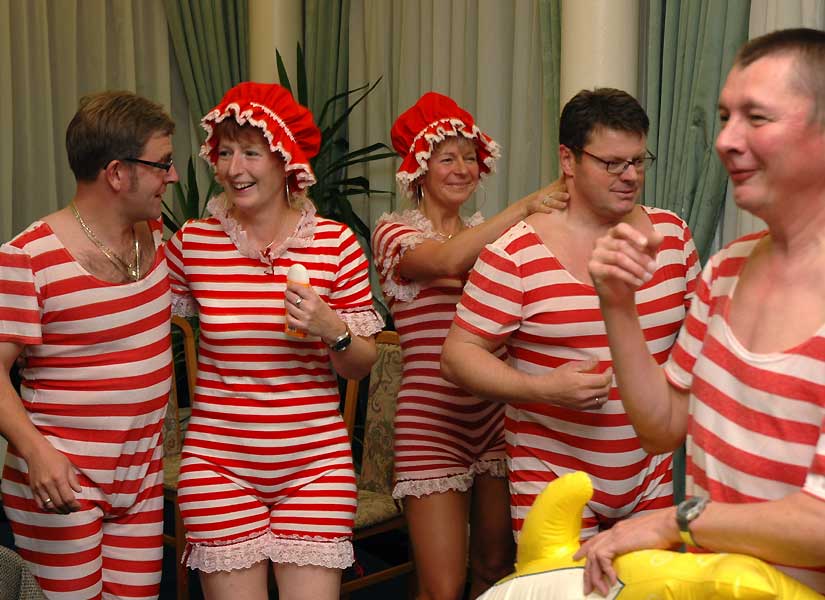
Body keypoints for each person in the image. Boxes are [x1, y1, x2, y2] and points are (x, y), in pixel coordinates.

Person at [576, 28, 825, 596]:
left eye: (756, 118)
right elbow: (662, 426)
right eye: (724, 117)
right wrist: (617, 303)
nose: (726, 141)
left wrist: (676, 519)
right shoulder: (725, 270)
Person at [441, 89, 700, 542]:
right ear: (568, 159)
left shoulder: (672, 236)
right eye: (612, 163)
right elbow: (457, 356)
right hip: (551, 472)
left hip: (651, 476)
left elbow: (701, 340)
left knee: (647, 582)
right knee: (562, 581)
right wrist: (542, 388)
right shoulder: (515, 253)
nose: (630, 176)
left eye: (638, 161)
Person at [164, 82, 384, 600]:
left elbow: (361, 365)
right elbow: (139, 321)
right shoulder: (193, 244)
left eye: (250, 152)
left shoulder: (335, 243)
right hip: (219, 466)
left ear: (286, 159)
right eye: (224, 152)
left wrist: (333, 329)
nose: (234, 168)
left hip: (315, 467)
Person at [371, 91, 568, 600]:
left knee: (495, 568)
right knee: (442, 587)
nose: (462, 169)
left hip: (495, 416)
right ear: (418, 168)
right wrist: (525, 206)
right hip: (431, 423)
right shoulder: (393, 232)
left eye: (469, 157)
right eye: (446, 158)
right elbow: (445, 261)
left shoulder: (491, 235)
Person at [0, 91, 178, 599]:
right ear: (117, 173)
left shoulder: (156, 234)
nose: (173, 176)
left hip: (139, 478)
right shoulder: (28, 258)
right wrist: (36, 451)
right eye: (162, 163)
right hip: (62, 482)